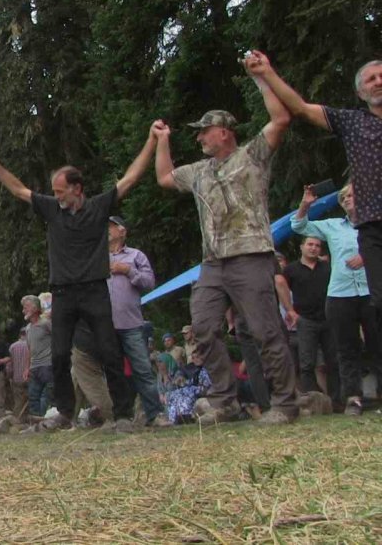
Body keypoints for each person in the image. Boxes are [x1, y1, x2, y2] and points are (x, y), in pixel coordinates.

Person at [0, 124, 158, 433]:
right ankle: (64, 412)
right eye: (55, 191)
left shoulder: (98, 207)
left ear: (77, 188)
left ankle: (124, 414)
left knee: (109, 351)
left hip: (94, 290)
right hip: (62, 293)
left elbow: (130, 177)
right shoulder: (53, 210)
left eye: (61, 190)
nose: (56, 195)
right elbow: (19, 189)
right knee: (60, 354)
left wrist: (151, 140)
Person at [153, 56, 298, 425]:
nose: (200, 136)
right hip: (213, 263)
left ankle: (284, 403)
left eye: (205, 130)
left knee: (265, 330)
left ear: (225, 132)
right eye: (198, 132)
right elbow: (165, 178)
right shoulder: (200, 171)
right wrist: (162, 140)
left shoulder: (252, 156)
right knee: (202, 327)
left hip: (251, 255)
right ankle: (225, 400)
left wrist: (262, 79)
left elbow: (281, 119)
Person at [244, 53, 382, 309]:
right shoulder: (352, 122)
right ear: (361, 93)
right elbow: (300, 108)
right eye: (371, 79)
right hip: (373, 225)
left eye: (381, 76)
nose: (378, 81)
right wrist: (266, 72)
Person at [292, 183, 379, 415]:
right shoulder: (332, 226)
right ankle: (353, 398)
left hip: (371, 291)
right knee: (346, 348)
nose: (348, 199)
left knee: (377, 344)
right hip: (340, 295)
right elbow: (298, 225)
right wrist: (305, 204)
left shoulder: (375, 225)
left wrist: (366, 256)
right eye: (344, 196)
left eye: (353, 195)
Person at [106, 215, 167, 427]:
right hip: (106, 326)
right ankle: (120, 417)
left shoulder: (136, 255)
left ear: (123, 231)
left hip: (131, 324)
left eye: (112, 227)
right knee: (113, 374)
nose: (108, 230)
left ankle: (155, 415)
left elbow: (149, 282)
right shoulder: (97, 257)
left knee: (143, 370)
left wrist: (128, 270)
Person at [281, 236, 339, 405]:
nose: (313, 248)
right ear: (301, 247)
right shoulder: (291, 270)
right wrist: (290, 311)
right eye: (310, 244)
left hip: (328, 318)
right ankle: (312, 402)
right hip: (305, 320)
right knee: (307, 364)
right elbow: (280, 288)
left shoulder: (328, 268)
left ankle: (335, 401)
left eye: (317, 246)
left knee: (333, 361)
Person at [21, 295, 53, 420]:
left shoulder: (46, 324)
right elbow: (29, 349)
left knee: (46, 395)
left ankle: (44, 420)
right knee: (33, 395)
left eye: (26, 307)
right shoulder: (28, 328)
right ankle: (35, 421)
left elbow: (57, 340)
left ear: (35, 308)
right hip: (34, 366)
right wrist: (26, 368)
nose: (24, 310)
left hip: (47, 365)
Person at [6, 329, 29, 420]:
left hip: (16, 378)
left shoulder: (12, 347)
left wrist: (9, 376)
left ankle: (17, 419)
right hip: (29, 377)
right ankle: (28, 419)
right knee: (30, 400)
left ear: (20, 335)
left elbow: (9, 364)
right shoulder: (30, 345)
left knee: (18, 401)